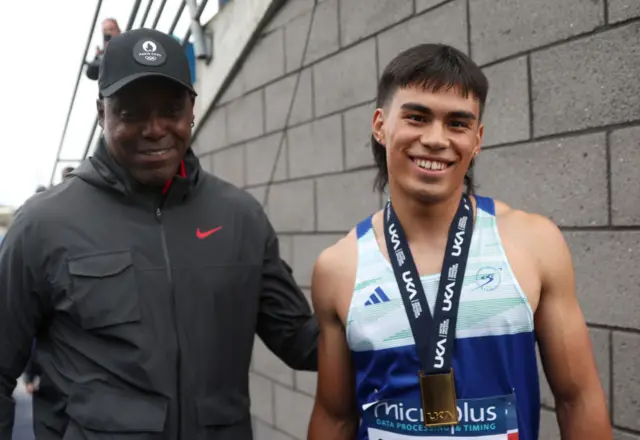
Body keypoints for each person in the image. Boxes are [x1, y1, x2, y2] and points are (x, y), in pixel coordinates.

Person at [0, 28, 317, 439]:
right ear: (102, 112)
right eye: (131, 112)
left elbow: (299, 341)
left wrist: (387, 308)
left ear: (192, 109)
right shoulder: (42, 225)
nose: (155, 129)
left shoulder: (241, 218)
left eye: (171, 109)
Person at [307, 44, 612, 440]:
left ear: (477, 138)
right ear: (380, 126)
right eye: (417, 117)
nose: (436, 139)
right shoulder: (339, 267)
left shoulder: (533, 243)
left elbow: (579, 399)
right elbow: (334, 417)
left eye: (457, 123)